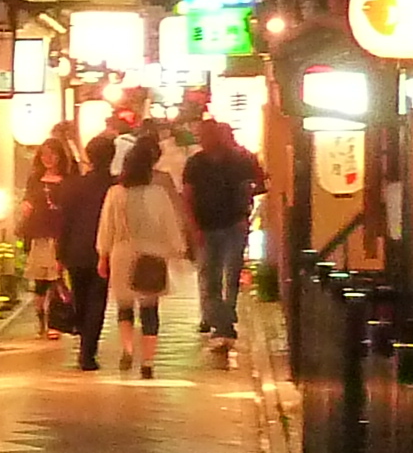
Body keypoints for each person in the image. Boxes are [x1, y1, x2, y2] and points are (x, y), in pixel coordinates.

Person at [99, 133, 196, 379]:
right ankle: (148, 362)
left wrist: (103, 255)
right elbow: (170, 225)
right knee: (150, 309)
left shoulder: (115, 193)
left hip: (122, 253)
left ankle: (128, 348)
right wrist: (179, 250)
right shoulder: (158, 194)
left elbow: (106, 227)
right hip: (152, 254)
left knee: (124, 306)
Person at [182, 117, 268, 359]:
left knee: (230, 275)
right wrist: (193, 227)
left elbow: (256, 184)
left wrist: (246, 212)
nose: (205, 140)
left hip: (233, 224)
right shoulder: (195, 164)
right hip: (206, 226)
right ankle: (221, 322)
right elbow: (187, 196)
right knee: (210, 276)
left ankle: (224, 321)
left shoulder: (239, 160)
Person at [58, 133, 119, 370]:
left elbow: (65, 221)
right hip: (105, 251)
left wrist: (60, 253)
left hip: (75, 249)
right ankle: (87, 351)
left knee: (81, 299)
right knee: (97, 300)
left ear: (89, 157)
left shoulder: (74, 185)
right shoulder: (115, 186)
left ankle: (84, 342)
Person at [19, 125, 81, 331]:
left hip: (61, 233)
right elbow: (28, 198)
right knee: (40, 280)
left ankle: (57, 321)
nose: (48, 159)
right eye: (44, 155)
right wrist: (26, 206)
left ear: (60, 157)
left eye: (52, 155)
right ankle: (41, 321)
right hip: (39, 232)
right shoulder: (35, 178)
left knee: (58, 279)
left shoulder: (69, 180)